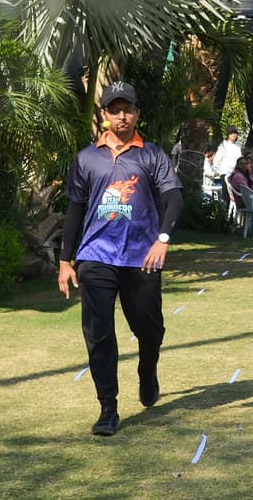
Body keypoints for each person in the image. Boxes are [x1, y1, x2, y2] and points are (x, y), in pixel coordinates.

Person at [57, 82, 183, 437]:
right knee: (98, 333)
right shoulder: (87, 158)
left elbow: (174, 199)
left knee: (149, 329)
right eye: (115, 110)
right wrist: (66, 261)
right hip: (96, 256)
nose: (122, 115)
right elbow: (75, 210)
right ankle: (108, 409)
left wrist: (163, 239)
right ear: (104, 115)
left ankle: (148, 369)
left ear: (137, 114)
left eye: (128, 109)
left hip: (142, 258)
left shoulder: (152, 155)